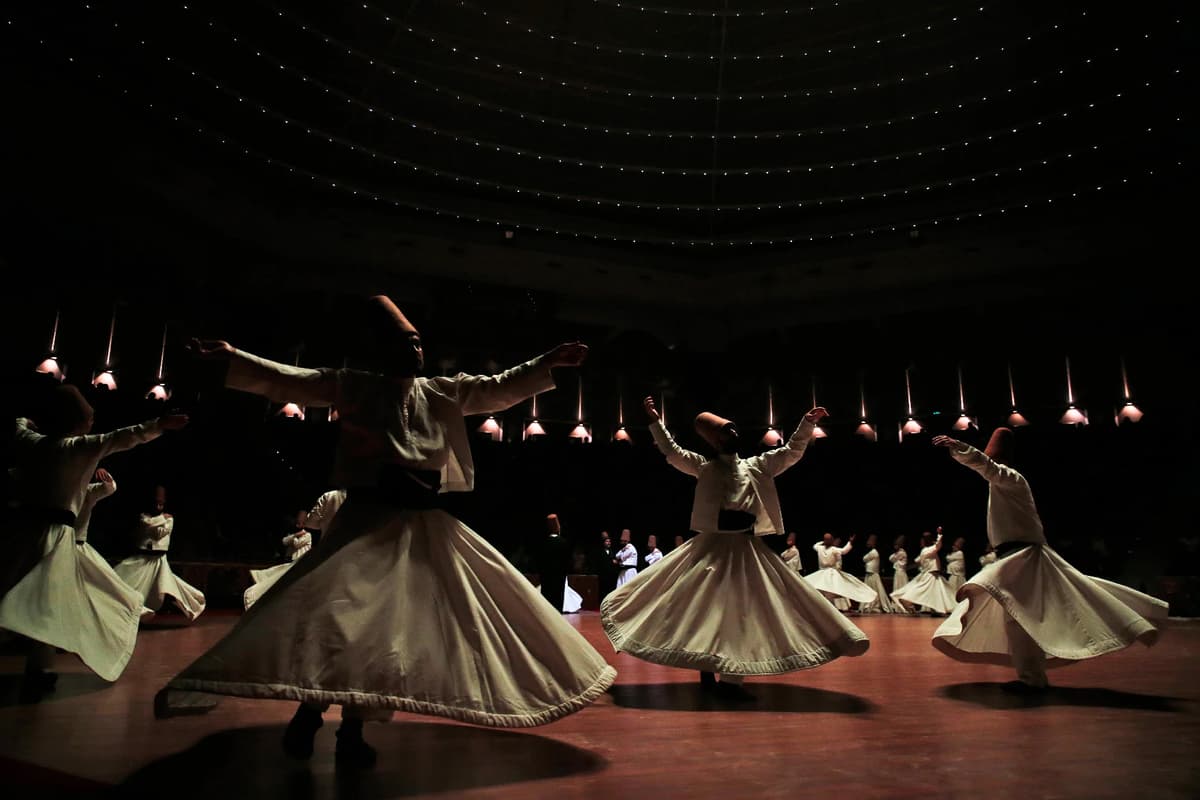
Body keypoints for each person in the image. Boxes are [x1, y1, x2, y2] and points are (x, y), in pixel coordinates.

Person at [157, 296, 615, 768]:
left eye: (418, 342)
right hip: (367, 523)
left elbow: (498, 387)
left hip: (420, 526)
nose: (415, 350)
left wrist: (549, 362)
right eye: (404, 342)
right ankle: (310, 711)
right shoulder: (355, 387)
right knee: (341, 622)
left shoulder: (441, 391)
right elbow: (288, 379)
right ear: (380, 349)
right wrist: (233, 358)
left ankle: (350, 730)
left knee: (384, 635)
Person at [601, 398, 868, 701]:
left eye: (733, 429)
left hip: (744, 548)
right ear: (715, 440)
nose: (733, 434)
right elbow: (672, 452)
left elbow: (791, 452)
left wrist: (807, 424)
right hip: (713, 547)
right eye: (726, 431)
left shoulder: (756, 466)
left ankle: (730, 680)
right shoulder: (704, 467)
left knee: (742, 612)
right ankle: (706, 664)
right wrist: (654, 421)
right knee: (704, 608)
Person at [931, 429, 1168, 691]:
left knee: (1025, 614)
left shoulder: (1011, 479)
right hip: (1015, 557)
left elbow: (987, 466)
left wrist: (958, 446)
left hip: (1024, 556)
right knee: (1019, 617)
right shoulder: (1000, 486)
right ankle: (1031, 678)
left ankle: (1032, 678)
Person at [2, 385, 187, 693]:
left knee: (23, 594)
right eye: (88, 418)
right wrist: (159, 425)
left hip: (23, 531)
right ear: (76, 422)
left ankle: (40, 669)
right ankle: (40, 669)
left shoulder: (32, 442)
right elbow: (124, 436)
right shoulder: (78, 448)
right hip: (54, 538)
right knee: (46, 603)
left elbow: (17, 426)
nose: (92, 422)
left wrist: (25, 421)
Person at [113, 485, 206, 622]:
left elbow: (159, 534)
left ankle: (188, 604)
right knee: (125, 580)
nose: (158, 507)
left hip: (159, 561)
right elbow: (149, 524)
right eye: (156, 503)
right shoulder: (145, 517)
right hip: (142, 559)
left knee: (161, 592)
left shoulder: (169, 520)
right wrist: (162, 518)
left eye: (161, 504)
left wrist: (162, 520)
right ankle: (131, 608)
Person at [243, 509, 313, 610]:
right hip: (293, 561)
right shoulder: (297, 533)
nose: (300, 522)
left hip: (302, 563)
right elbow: (284, 541)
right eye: (299, 520)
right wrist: (295, 535)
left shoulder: (309, 534)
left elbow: (297, 543)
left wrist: (294, 537)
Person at [891, 528, 957, 615]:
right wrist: (939, 535)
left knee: (936, 593)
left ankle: (935, 610)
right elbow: (938, 546)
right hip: (931, 576)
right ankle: (907, 600)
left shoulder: (924, 551)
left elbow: (917, 561)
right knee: (923, 591)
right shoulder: (928, 550)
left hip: (933, 575)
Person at [806, 533, 878, 612]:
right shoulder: (826, 548)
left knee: (831, 591)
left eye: (827, 539)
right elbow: (844, 551)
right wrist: (850, 542)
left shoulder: (824, 548)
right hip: (825, 573)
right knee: (824, 590)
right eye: (826, 539)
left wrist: (823, 542)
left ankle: (831, 608)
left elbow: (815, 545)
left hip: (830, 573)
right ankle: (829, 608)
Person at [536, 513, 573, 613]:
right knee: (557, 602)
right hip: (559, 578)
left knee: (547, 603)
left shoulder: (543, 543)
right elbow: (568, 561)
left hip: (546, 578)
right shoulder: (563, 542)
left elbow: (539, 562)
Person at [860, 534, 902, 613]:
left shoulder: (874, 552)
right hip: (869, 574)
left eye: (870, 541)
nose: (868, 542)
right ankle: (869, 604)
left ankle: (875, 605)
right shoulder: (872, 552)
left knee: (875, 590)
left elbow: (864, 559)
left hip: (873, 575)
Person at [889, 536, 915, 613]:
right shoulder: (899, 553)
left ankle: (906, 607)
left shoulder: (901, 553)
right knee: (897, 588)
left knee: (901, 589)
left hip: (901, 573)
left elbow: (891, 559)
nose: (895, 546)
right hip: (898, 573)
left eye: (896, 545)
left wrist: (895, 555)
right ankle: (898, 606)